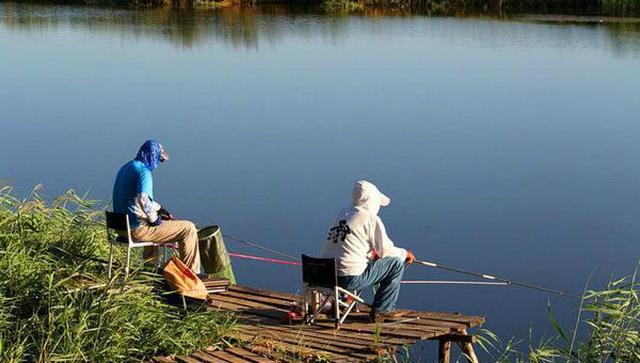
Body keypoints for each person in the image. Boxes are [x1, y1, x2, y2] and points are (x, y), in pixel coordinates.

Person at [321, 180, 415, 322]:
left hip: (324, 276)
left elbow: (349, 246)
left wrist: (371, 254)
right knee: (395, 264)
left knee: (377, 262)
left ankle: (343, 302)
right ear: (372, 201)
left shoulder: (343, 214)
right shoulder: (371, 218)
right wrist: (405, 254)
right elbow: (386, 251)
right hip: (348, 279)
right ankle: (382, 310)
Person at [112, 140, 201, 273]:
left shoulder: (126, 167)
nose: (159, 163)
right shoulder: (144, 172)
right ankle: (191, 275)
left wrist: (160, 209)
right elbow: (143, 198)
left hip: (120, 228)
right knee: (189, 229)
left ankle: (149, 271)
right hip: (136, 230)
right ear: (153, 156)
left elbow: (138, 199)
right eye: (160, 159)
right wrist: (154, 219)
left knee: (151, 224)